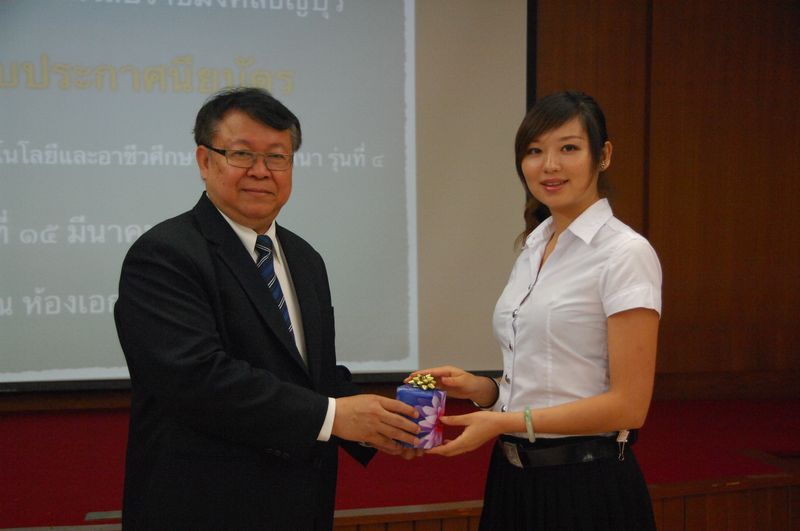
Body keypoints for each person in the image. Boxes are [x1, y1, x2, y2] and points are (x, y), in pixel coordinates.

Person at [114, 87, 420, 531]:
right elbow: (197, 380)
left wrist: (385, 424)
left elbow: (312, 375)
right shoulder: (165, 253)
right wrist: (335, 418)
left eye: (277, 157)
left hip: (300, 504)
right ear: (204, 161)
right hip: (203, 507)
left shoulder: (305, 258)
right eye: (242, 154)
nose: (261, 171)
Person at [409, 91, 661, 530]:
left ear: (603, 155)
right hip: (511, 478)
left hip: (585, 485)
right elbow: (549, 379)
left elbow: (629, 406)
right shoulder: (534, 246)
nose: (549, 166)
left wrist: (505, 421)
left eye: (569, 148)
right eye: (534, 151)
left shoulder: (625, 253)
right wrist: (482, 390)